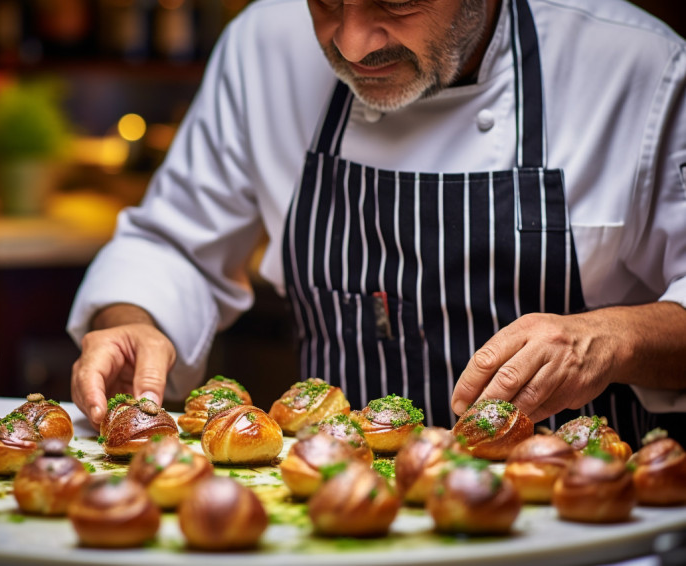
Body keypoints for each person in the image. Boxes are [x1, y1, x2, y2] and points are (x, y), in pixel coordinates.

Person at [67, 0, 686, 447]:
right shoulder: (262, 45)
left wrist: (612, 337)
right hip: (331, 510)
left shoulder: (638, 68)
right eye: (327, 1)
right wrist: (131, 323)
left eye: (397, 0)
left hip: (573, 519)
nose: (355, 43)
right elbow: (174, 245)